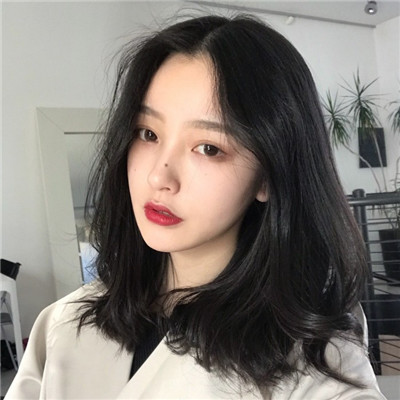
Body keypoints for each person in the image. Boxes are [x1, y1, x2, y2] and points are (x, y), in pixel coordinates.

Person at [6, 14, 386, 399]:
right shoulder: (62, 325)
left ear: (268, 176)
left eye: (208, 148)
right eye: (148, 133)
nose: (159, 176)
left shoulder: (312, 357)